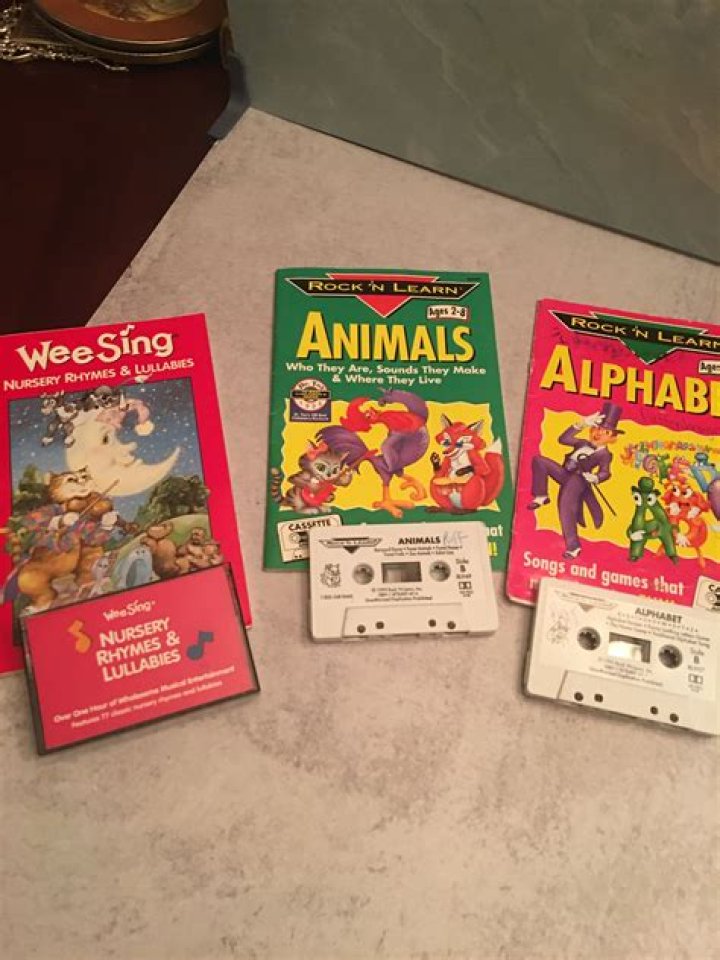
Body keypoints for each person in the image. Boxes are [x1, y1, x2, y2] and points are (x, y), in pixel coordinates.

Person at [528, 402, 623, 558]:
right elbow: (563, 439)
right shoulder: (582, 443)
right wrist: (583, 423)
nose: (599, 433)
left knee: (565, 505)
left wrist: (596, 477)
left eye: (605, 432)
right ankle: (542, 496)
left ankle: (573, 547)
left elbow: (605, 472)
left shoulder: (605, 454)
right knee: (539, 461)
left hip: (579, 480)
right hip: (565, 473)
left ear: (612, 438)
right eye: (598, 428)